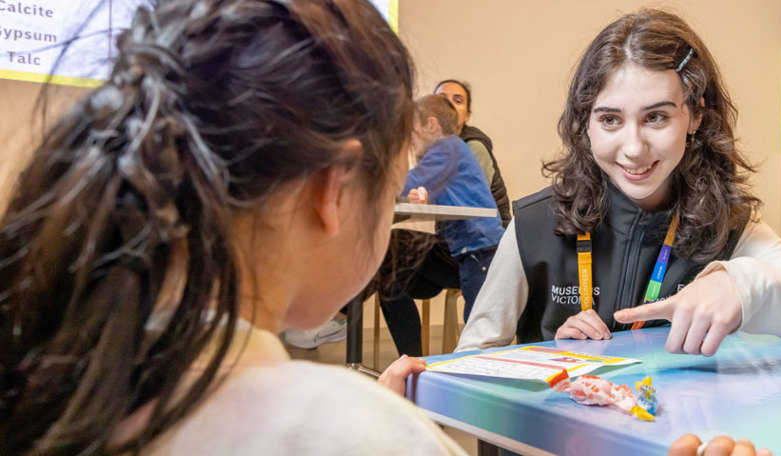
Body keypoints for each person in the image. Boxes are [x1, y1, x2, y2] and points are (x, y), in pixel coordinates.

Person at [0, 0, 463, 454]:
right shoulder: (370, 437)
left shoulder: (49, 377)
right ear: (333, 190)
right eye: (391, 190)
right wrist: (378, 424)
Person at [456, 9, 781, 358]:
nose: (634, 148)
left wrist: (747, 284)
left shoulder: (729, 229)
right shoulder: (534, 223)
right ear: (585, 124)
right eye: (610, 119)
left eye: (656, 117)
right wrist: (548, 356)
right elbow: (470, 360)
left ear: (695, 116)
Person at [377, 95, 504, 356]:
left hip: (480, 248)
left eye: (412, 132)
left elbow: (407, 182)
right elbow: (421, 189)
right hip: (466, 248)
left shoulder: (446, 148)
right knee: (391, 274)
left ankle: (475, 367)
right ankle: (412, 361)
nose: (411, 141)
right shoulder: (452, 152)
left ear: (431, 125)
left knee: (478, 326)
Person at [434, 79, 511, 227]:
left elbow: (468, 200)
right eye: (442, 100)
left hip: (487, 238)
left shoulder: (474, 146)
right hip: (458, 235)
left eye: (458, 100)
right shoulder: (433, 149)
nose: (449, 105)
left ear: (467, 115)